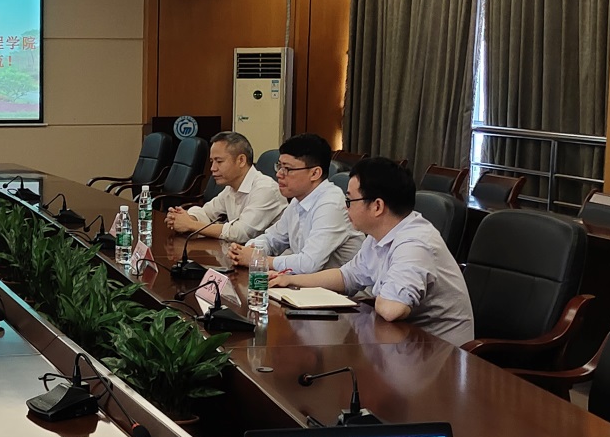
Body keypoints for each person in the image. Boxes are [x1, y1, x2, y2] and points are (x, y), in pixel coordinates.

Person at [269, 157, 474, 345]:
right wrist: (291, 280)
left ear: (377, 206)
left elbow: (392, 309)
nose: (346, 208)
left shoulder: (415, 243)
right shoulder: (379, 236)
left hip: (439, 353)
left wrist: (376, 295)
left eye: (349, 201)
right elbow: (347, 276)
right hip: (401, 343)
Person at [228, 132, 362, 273]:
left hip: (342, 287)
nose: (279, 174)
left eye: (288, 169)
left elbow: (308, 264)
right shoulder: (298, 200)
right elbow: (272, 238)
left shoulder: (331, 204)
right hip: (304, 282)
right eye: (279, 166)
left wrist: (260, 259)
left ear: (315, 173)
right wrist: (247, 250)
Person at [165, 131, 286, 242]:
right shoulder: (231, 188)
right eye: (212, 161)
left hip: (269, 258)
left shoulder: (266, 189)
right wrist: (186, 218)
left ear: (241, 160)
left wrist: (191, 225)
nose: (213, 168)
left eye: (219, 161)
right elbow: (207, 213)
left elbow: (240, 233)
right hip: (238, 253)